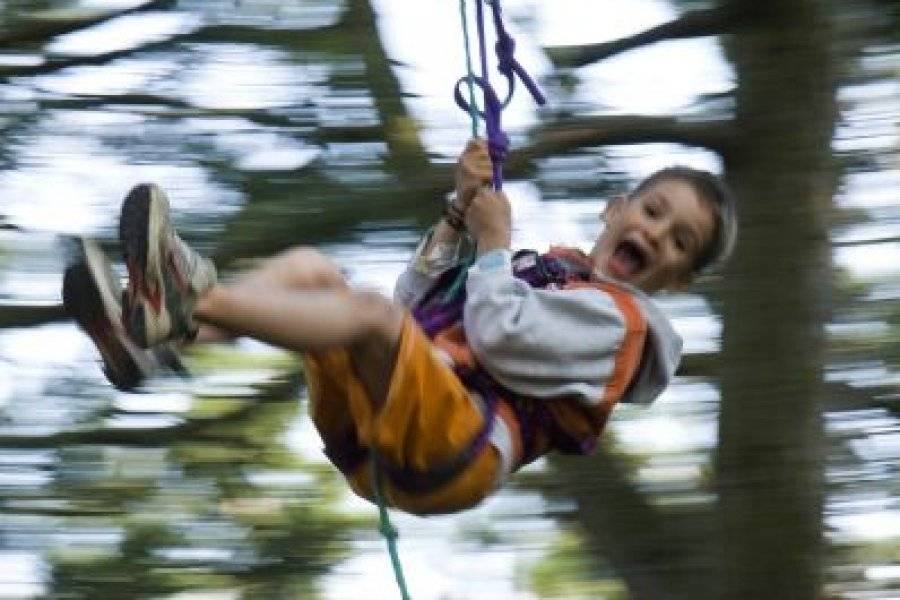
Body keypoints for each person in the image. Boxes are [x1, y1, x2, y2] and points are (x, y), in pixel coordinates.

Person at [63, 139, 737, 515]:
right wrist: (457, 214)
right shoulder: (552, 271)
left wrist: (496, 241)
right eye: (652, 211)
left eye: (678, 242)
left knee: (366, 317)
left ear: (674, 283)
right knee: (312, 272)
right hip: (386, 425)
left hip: (456, 450)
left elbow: (500, 335)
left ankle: (187, 308)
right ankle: (155, 340)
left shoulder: (621, 327)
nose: (655, 234)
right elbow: (416, 307)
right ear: (615, 209)